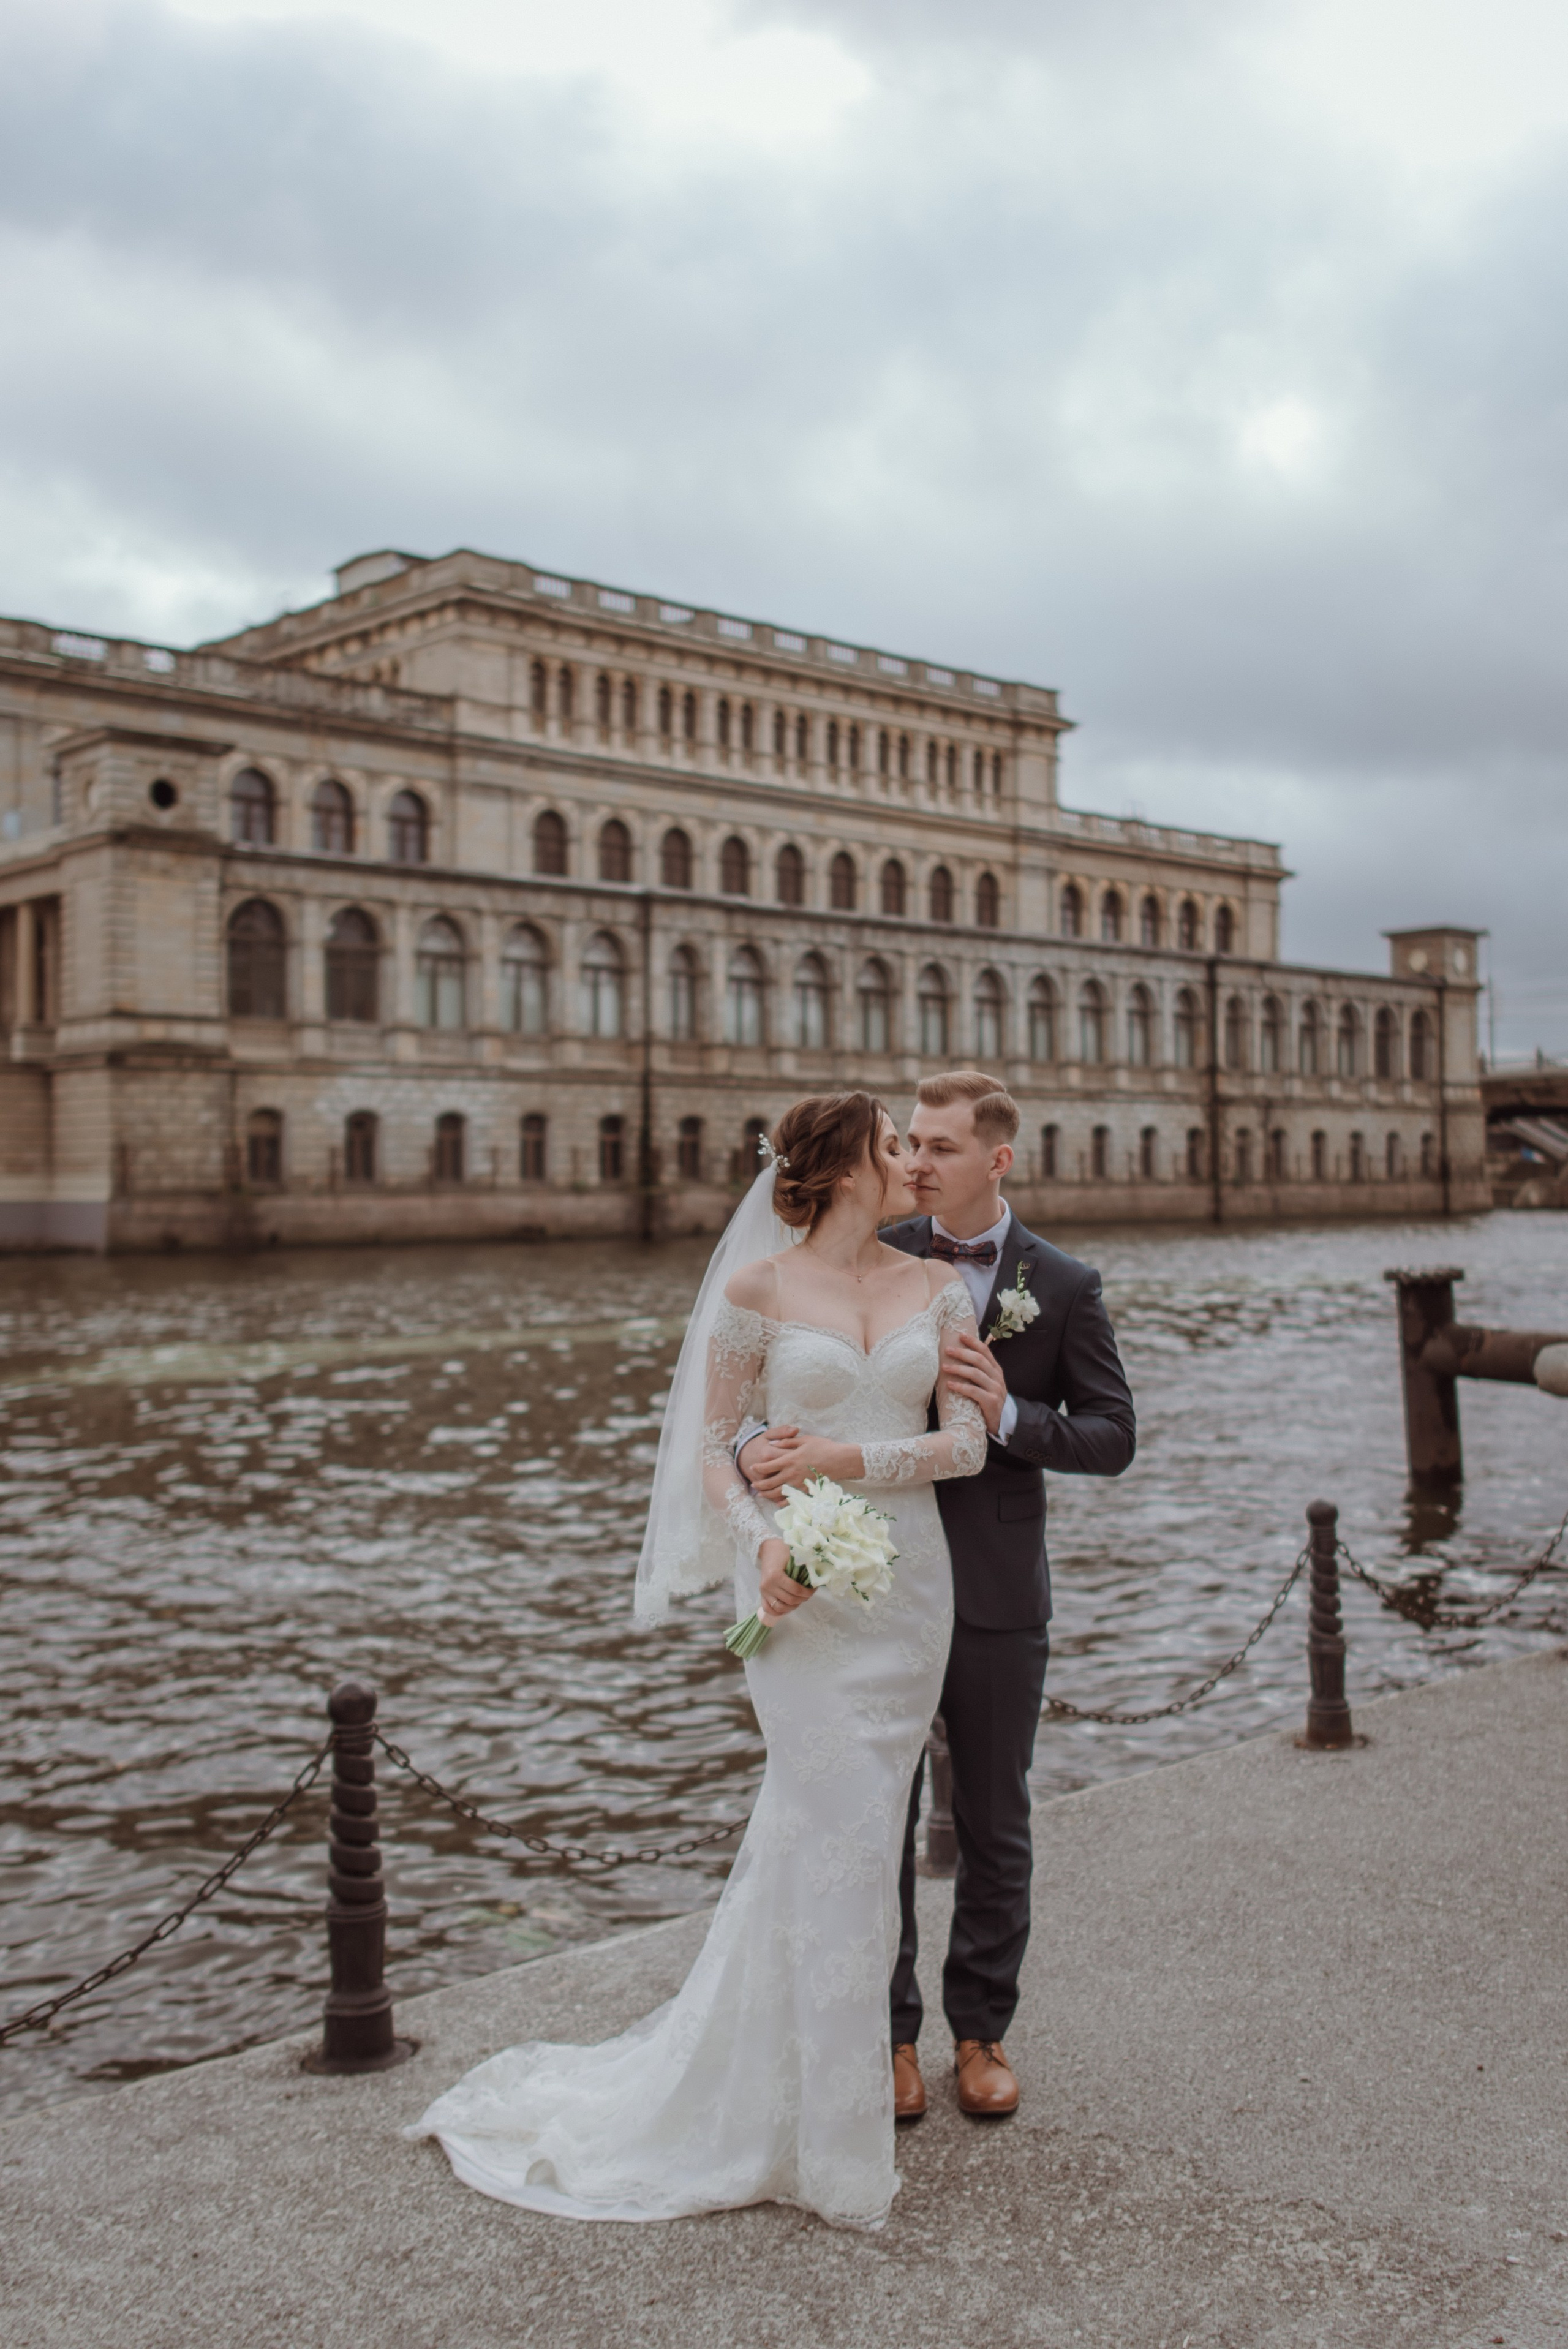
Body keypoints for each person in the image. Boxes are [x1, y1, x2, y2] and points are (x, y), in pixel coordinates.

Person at [407, 1092, 988, 2228]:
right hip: (799, 1603)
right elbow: (716, 1457)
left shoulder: (940, 1287)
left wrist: (840, 1454)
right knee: (835, 1844)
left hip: (909, 1593)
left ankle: (804, 2103)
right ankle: (835, 2141)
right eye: (891, 1147)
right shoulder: (756, 1290)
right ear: (839, 1169)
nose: (912, 1163)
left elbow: (964, 1445)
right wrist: (770, 1540)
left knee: (854, 1850)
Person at [742, 1071, 1135, 2125]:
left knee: (996, 1821)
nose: (915, 1161)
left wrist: (1014, 1416)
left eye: (940, 1147)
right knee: (878, 1817)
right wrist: (755, 1454)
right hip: (872, 1582)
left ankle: (982, 2034)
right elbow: (773, 1383)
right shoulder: (878, 1253)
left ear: (995, 1160)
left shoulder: (1062, 1282)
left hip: (997, 1590)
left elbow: (1112, 1438)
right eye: (906, 1142)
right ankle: (891, 2037)